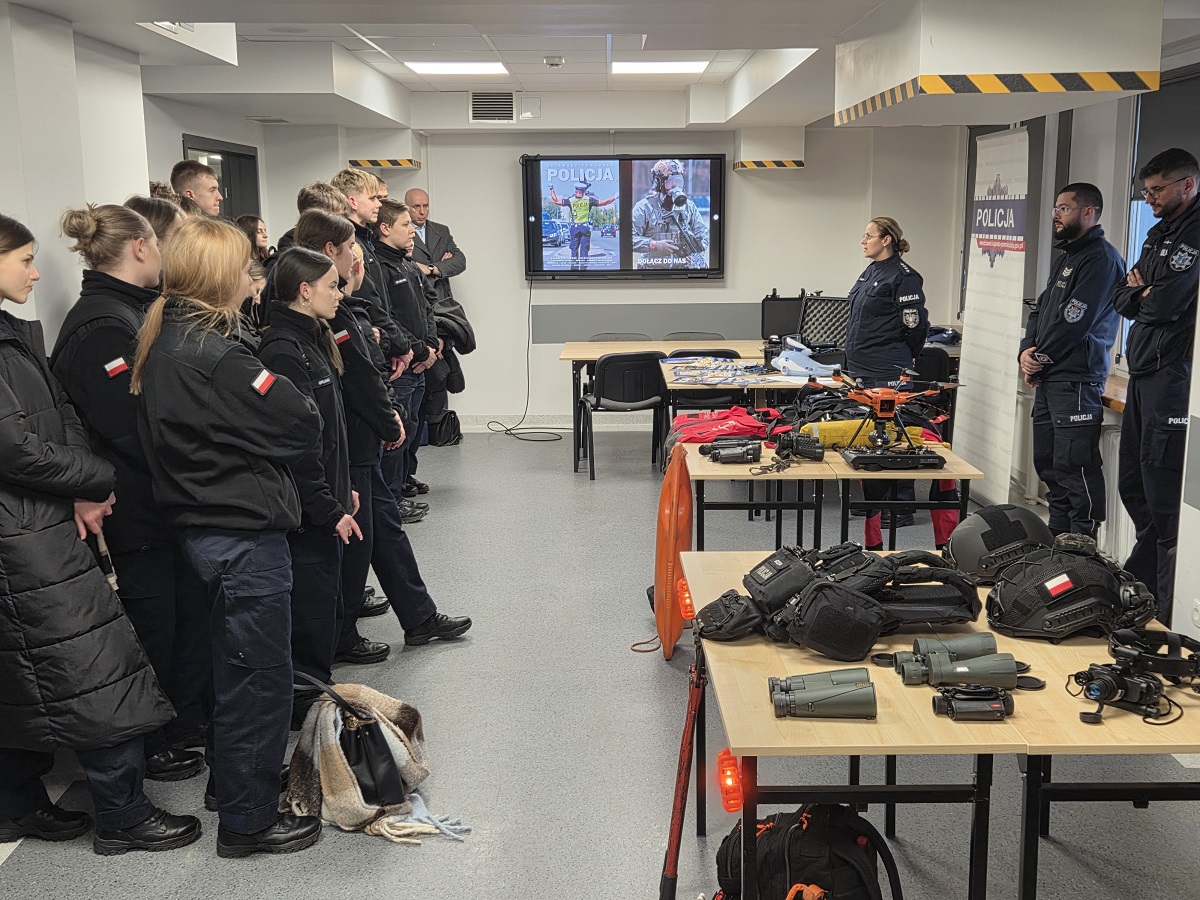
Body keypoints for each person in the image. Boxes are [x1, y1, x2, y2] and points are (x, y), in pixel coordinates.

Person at [0, 214, 201, 855]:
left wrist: (85, 479)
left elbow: (63, 412)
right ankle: (122, 815)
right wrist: (98, 477)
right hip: (23, 534)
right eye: (25, 260)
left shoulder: (12, 334)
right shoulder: (82, 327)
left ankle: (17, 804)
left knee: (34, 669)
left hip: (38, 520)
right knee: (94, 668)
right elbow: (15, 448)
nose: (38, 273)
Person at [131, 216, 323, 857]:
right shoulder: (217, 355)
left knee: (234, 673)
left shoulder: (169, 337)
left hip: (207, 528)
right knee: (258, 682)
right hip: (241, 535)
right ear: (220, 279)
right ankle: (248, 820)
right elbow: (299, 421)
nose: (254, 278)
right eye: (246, 268)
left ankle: (235, 787)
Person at [51, 204, 211, 780]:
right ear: (141, 246)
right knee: (153, 629)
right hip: (136, 509)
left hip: (163, 502)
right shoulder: (101, 326)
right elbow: (130, 426)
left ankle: (183, 722)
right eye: (163, 243)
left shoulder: (134, 309)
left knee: (184, 618)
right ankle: (154, 740)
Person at [291, 210, 471, 658]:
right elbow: (359, 378)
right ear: (331, 253)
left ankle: (419, 617)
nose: (359, 258)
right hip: (352, 445)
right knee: (360, 543)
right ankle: (343, 636)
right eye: (351, 248)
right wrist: (389, 420)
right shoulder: (328, 316)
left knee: (385, 531)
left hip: (363, 441)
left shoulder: (344, 306)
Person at [255, 248, 362, 726]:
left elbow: (331, 430)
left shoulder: (313, 338)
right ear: (304, 291)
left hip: (327, 498)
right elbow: (297, 446)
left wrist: (345, 486)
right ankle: (305, 712)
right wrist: (326, 506)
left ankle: (318, 700)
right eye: (332, 286)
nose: (340, 293)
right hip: (306, 514)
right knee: (310, 617)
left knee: (327, 610)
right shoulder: (282, 350)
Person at [1113, 147, 1200, 624]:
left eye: (1156, 191)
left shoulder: (1194, 233)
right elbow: (1120, 297)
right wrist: (1138, 292)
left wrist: (1143, 292)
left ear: (1187, 184)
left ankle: (1166, 615)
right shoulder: (1159, 231)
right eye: (1145, 192)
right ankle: (1143, 590)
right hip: (1144, 372)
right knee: (1133, 483)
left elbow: (1164, 304)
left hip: (1173, 378)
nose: (1148, 201)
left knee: (1164, 496)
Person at [1018, 183, 1124, 538]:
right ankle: (1057, 541)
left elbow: (1074, 322)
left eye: (1064, 208)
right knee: (1048, 462)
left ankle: (1082, 544)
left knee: (1074, 465)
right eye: (1056, 208)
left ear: (1088, 212)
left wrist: (1040, 358)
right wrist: (1026, 351)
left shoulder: (1102, 260)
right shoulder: (1068, 256)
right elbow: (1041, 310)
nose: (1055, 215)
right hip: (1051, 375)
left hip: (1077, 379)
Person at [845, 216, 930, 541]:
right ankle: (875, 501)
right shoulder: (871, 272)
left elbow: (915, 326)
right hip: (861, 366)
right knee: (870, 433)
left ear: (887, 240)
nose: (863, 241)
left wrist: (907, 357)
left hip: (887, 367)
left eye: (869, 236)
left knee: (894, 432)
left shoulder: (904, 277)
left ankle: (901, 506)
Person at [405, 187, 475, 465]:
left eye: (425, 206)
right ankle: (421, 434)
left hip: (442, 306)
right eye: (416, 207)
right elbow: (405, 265)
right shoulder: (400, 232)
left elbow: (460, 261)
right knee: (423, 366)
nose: (422, 211)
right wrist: (432, 266)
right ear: (407, 207)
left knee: (442, 362)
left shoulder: (440, 230)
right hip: (415, 306)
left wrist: (431, 269)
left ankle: (437, 429)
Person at [375, 198, 437, 506]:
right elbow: (388, 318)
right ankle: (392, 498)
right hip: (403, 363)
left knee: (412, 428)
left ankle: (402, 482)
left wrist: (431, 344)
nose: (412, 230)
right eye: (405, 224)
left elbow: (427, 307)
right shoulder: (380, 268)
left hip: (420, 361)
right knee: (396, 433)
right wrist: (418, 350)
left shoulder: (407, 265)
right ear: (386, 228)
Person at [631, 159, 708, 270]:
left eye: (678, 182)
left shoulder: (689, 207)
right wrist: (654, 245)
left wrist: (696, 261)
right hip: (651, 273)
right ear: (659, 184)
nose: (675, 187)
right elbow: (629, 239)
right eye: (671, 182)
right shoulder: (644, 207)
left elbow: (703, 236)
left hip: (682, 273)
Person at [549, 179, 615, 270]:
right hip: (585, 228)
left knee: (574, 249)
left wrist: (551, 189)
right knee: (584, 249)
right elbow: (604, 203)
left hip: (574, 228)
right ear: (584, 191)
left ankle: (574, 269)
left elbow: (555, 201)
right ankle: (583, 269)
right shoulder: (589, 200)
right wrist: (615, 197)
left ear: (576, 190)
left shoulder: (571, 200)